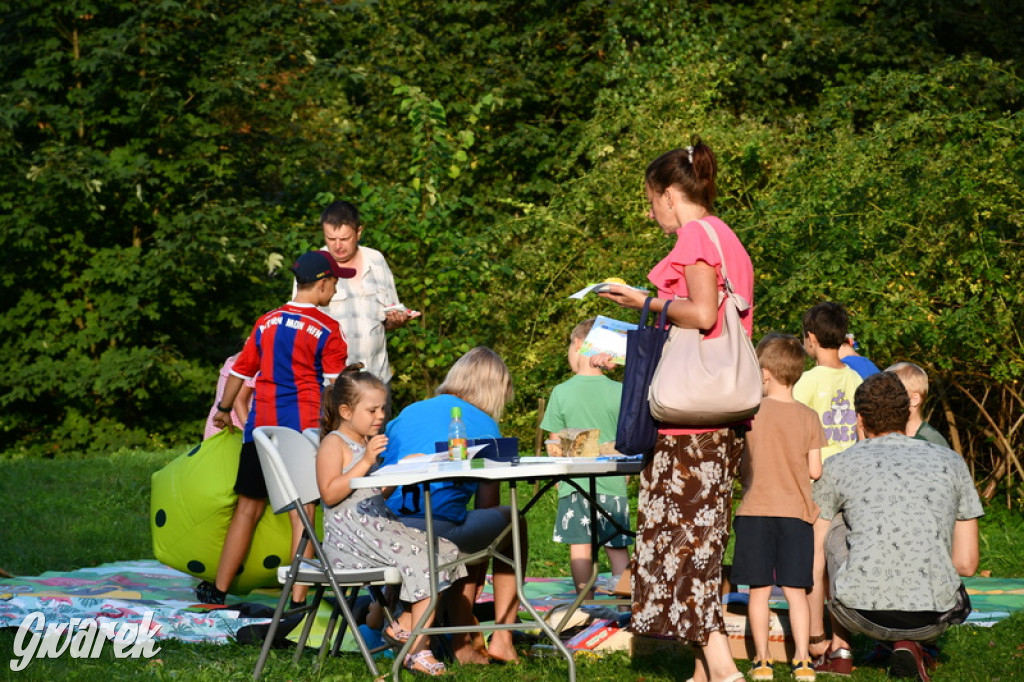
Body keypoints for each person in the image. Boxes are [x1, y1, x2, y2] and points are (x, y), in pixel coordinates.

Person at [598, 139, 752, 682]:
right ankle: (705, 671)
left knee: (681, 546)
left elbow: (704, 312)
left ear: (668, 195)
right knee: (695, 544)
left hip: (692, 428)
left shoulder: (694, 235)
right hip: (718, 421)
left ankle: (723, 670)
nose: (649, 211)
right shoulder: (726, 235)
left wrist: (643, 301)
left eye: (649, 199)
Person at [198, 251, 353, 606]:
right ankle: (298, 598)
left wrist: (224, 410)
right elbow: (333, 387)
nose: (336, 287)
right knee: (306, 509)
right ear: (324, 282)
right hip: (302, 432)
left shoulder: (266, 322)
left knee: (247, 508)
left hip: (261, 430)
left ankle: (217, 590)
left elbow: (240, 371)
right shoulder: (328, 330)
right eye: (335, 281)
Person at [811, 372, 982, 682]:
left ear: (859, 419)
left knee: (831, 524)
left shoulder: (838, 465)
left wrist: (813, 634)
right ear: (907, 414)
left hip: (857, 614)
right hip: (935, 619)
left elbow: (814, 556)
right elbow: (967, 564)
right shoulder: (952, 462)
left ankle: (839, 648)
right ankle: (910, 642)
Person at [316, 366, 463, 677]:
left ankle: (401, 625)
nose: (380, 415)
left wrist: (396, 473)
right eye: (371, 410)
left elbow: (369, 493)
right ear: (345, 410)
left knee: (446, 550)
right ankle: (416, 650)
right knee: (425, 560)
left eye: (383, 408)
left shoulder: (365, 442)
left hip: (374, 529)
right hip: (350, 541)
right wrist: (369, 461)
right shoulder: (335, 443)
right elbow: (329, 494)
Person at [380, 347, 522, 664]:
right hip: (435, 525)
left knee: (471, 528)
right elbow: (488, 506)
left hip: (386, 525)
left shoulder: (409, 411)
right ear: (495, 389)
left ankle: (456, 634)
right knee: (508, 523)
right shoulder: (484, 425)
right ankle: (500, 637)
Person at [731, 333, 826, 682]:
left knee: (758, 591)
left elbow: (738, 462)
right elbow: (815, 470)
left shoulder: (749, 415)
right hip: (796, 513)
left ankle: (762, 661)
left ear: (766, 374)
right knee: (795, 592)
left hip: (755, 511)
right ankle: (802, 661)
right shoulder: (809, 416)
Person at [540, 318, 632, 596]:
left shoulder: (561, 392)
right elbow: (628, 441)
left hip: (574, 483)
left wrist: (559, 478)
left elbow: (553, 443)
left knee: (579, 547)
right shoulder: (621, 391)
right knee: (617, 544)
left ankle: (584, 602)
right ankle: (626, 599)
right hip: (613, 482)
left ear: (579, 344)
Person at [315, 200, 414, 399]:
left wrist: (396, 320)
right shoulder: (315, 265)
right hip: (333, 384)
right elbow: (301, 326)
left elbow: (388, 316)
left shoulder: (376, 260)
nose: (337, 246)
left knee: (379, 430)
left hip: (378, 379)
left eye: (344, 238)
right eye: (330, 238)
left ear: (359, 232)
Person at [793, 302, 863, 462]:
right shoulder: (856, 378)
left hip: (817, 472)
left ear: (811, 338)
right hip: (850, 468)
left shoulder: (805, 381)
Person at [886, 361, 950, 448]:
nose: (884, 399)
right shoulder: (884, 436)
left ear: (914, 400)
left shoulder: (932, 441)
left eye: (892, 394)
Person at [202, 353, 256, 439]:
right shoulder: (253, 363)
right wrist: (252, 432)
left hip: (217, 423)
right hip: (234, 427)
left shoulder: (233, 359)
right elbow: (238, 401)